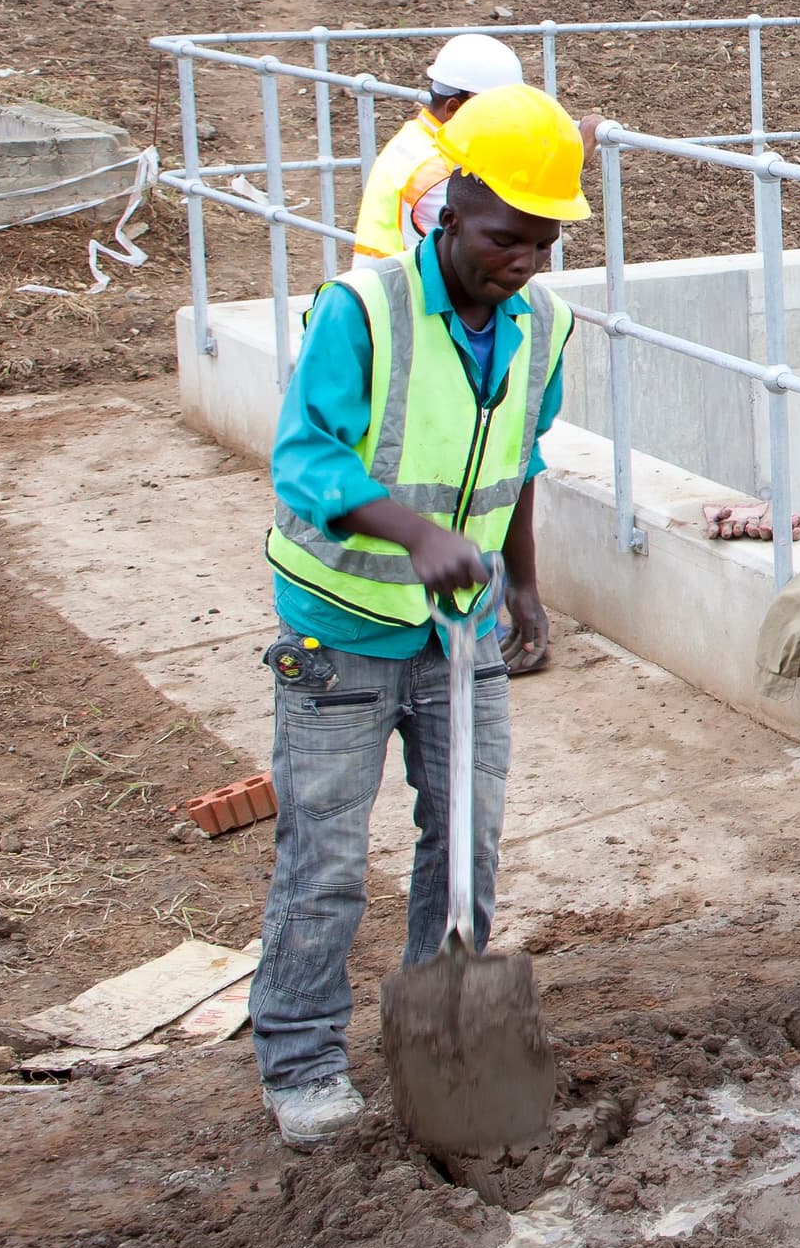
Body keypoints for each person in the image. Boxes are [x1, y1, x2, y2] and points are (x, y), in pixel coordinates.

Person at [251, 84, 589, 1144]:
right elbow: (305, 460)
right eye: (503, 238)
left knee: (467, 849)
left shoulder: (544, 325)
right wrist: (413, 533)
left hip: (462, 632)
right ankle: (301, 1060)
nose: (521, 262)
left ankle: (438, 1046)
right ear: (449, 209)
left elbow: (519, 456)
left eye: (541, 244)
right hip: (341, 631)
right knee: (328, 859)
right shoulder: (363, 311)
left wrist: (522, 581)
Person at [353, 33, 522, 267]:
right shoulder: (435, 170)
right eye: (498, 110)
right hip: (406, 297)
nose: (508, 121)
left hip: (389, 289)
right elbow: (508, 234)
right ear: (454, 109)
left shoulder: (414, 140)